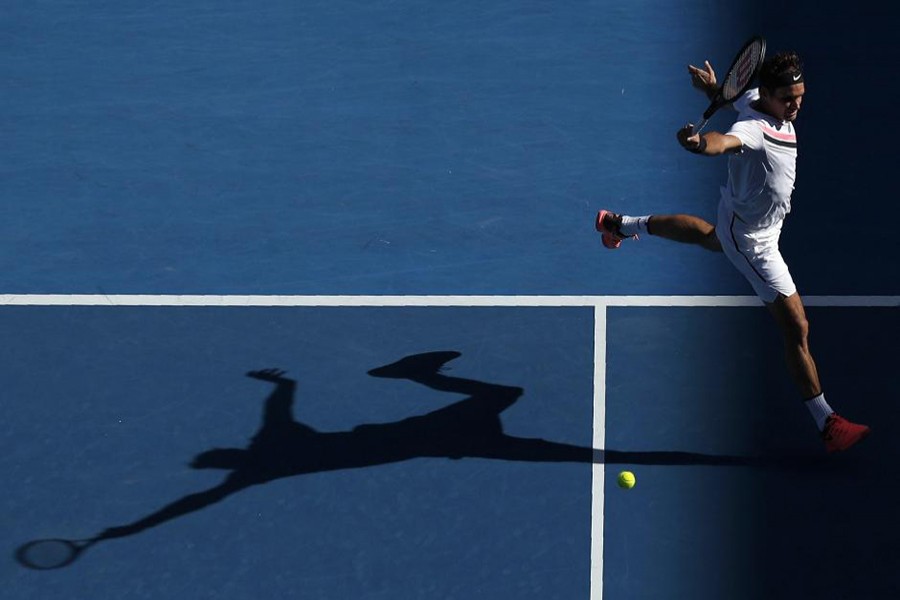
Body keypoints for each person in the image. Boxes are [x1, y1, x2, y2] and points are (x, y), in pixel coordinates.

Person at [595, 50, 870, 453]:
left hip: (747, 219)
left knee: (711, 237)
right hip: (755, 243)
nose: (796, 105)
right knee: (796, 327)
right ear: (771, 96)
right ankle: (826, 422)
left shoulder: (758, 97)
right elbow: (723, 142)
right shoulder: (754, 128)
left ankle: (620, 224)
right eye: (788, 99)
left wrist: (712, 89)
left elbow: (736, 96)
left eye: (800, 95)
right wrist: (696, 144)